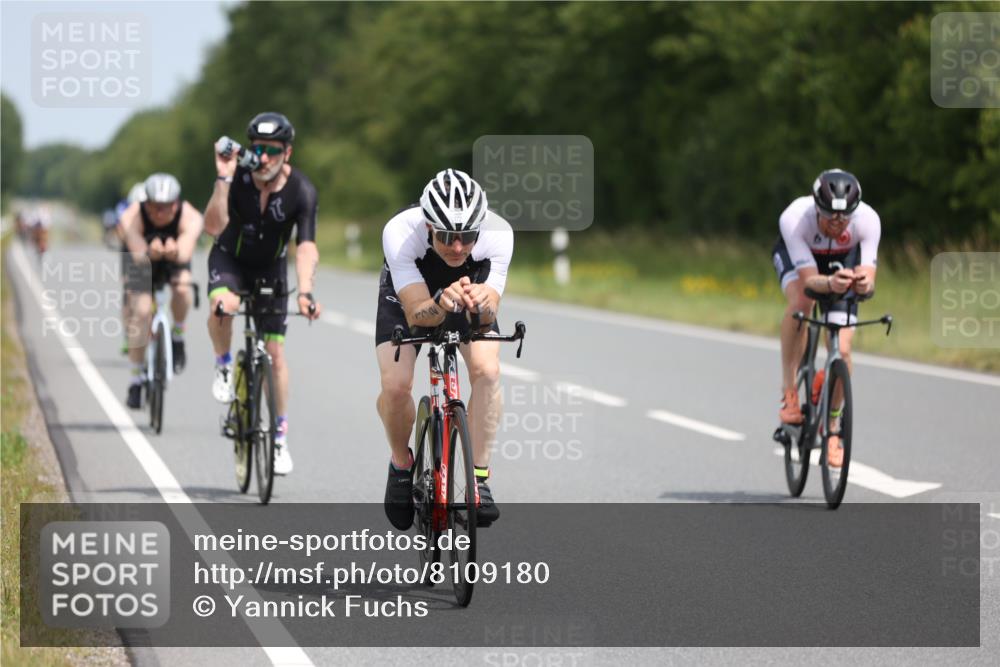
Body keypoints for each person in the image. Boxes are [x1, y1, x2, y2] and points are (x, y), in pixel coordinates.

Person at [376, 168, 513, 530]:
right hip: (413, 296)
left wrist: (483, 305)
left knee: (487, 371)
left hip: (466, 289)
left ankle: (479, 478)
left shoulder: (499, 235)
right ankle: (401, 465)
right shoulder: (401, 233)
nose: (457, 247)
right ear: (429, 227)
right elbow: (416, 314)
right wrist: (441, 304)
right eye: (448, 236)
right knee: (396, 385)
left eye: (467, 237)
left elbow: (487, 316)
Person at [204, 111, 322, 476]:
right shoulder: (237, 176)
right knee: (224, 305)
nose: (264, 158)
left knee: (275, 354)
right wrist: (223, 178)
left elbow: (306, 247)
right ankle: (224, 366)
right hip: (230, 258)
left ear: (287, 152)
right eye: (258, 149)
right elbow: (212, 226)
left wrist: (305, 292)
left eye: (273, 150)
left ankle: (279, 439)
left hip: (271, 267)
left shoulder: (302, 190)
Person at [772, 169, 881, 467]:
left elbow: (869, 278)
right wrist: (831, 284)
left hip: (843, 259)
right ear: (816, 206)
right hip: (803, 257)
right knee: (802, 302)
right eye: (830, 216)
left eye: (844, 217)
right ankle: (789, 390)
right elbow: (809, 282)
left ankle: (832, 428)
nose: (837, 223)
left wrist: (862, 283)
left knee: (843, 351)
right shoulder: (794, 219)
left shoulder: (869, 220)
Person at [121, 173, 204, 408]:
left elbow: (186, 251)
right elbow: (137, 255)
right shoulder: (131, 217)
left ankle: (177, 335)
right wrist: (150, 251)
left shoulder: (190, 216)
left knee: (182, 287)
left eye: (166, 208)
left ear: (176, 204)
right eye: (154, 208)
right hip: (144, 261)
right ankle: (136, 380)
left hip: (175, 258)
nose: (160, 213)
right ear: (145, 204)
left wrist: (173, 251)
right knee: (141, 312)